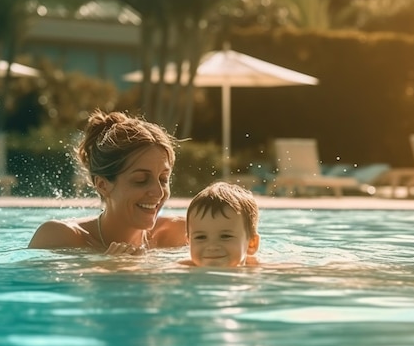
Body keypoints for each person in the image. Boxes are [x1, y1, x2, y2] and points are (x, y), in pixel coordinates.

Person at [28, 110, 187, 254]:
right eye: (141, 180)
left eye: (163, 179)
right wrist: (108, 270)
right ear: (103, 185)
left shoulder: (178, 234)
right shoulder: (60, 237)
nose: (158, 192)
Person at [179, 181, 260, 267]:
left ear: (252, 243)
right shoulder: (181, 269)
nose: (212, 247)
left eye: (225, 236)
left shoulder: (258, 271)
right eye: (201, 237)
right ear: (189, 242)